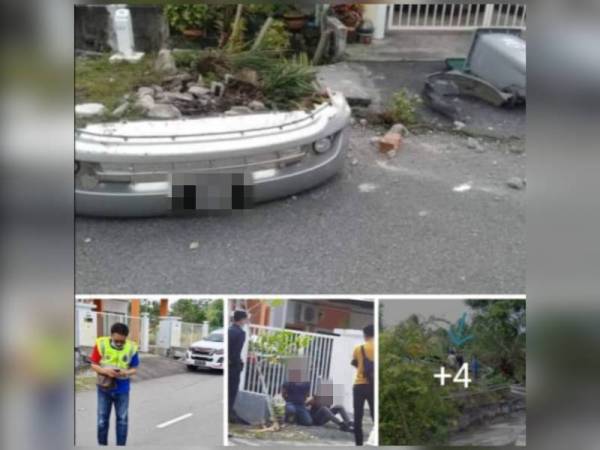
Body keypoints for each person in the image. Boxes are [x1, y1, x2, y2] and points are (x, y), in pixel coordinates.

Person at [89, 322, 139, 446]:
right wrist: (105, 371)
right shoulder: (101, 344)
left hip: (122, 390)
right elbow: (93, 365)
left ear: (126, 338)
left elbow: (134, 369)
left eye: (122, 341)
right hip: (104, 389)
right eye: (116, 340)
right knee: (102, 421)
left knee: (122, 420)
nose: (119, 343)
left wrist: (125, 372)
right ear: (111, 335)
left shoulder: (132, 347)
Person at [351, 324, 374, 446]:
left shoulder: (358, 349)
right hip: (373, 386)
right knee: (375, 416)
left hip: (359, 385)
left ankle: (358, 444)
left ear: (365, 335)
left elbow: (355, 363)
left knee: (357, 418)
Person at [228, 310, 247, 423]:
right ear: (242, 319)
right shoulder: (240, 333)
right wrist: (238, 365)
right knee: (231, 394)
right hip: (233, 367)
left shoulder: (229, 330)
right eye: (245, 319)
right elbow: (236, 352)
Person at [281, 360, 313, 426]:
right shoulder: (288, 382)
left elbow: (307, 395)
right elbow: (283, 394)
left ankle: (297, 418)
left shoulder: (306, 383)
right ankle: (289, 418)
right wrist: (286, 402)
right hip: (290, 404)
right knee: (291, 410)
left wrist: (304, 402)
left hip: (301, 405)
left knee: (308, 422)